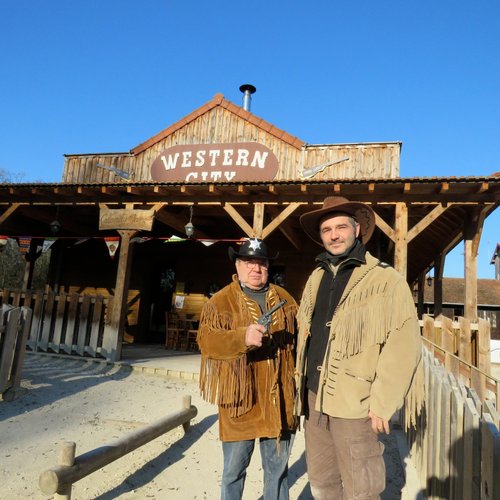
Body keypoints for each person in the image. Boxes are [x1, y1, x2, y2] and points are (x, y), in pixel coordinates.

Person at [294, 196, 423, 499]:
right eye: (327, 230)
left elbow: (403, 344)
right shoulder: (316, 277)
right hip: (314, 397)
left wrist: (384, 401)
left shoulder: (385, 280)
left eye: (341, 227)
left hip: (356, 403)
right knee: (322, 479)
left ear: (357, 230)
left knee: (361, 487)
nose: (334, 235)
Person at [197, 237, 298, 500]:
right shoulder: (220, 302)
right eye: (250, 262)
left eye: (262, 263)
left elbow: (303, 340)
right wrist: (240, 338)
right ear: (238, 265)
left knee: (277, 472)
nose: (256, 269)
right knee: (233, 472)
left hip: (279, 402)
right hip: (241, 401)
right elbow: (207, 342)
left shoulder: (286, 300)